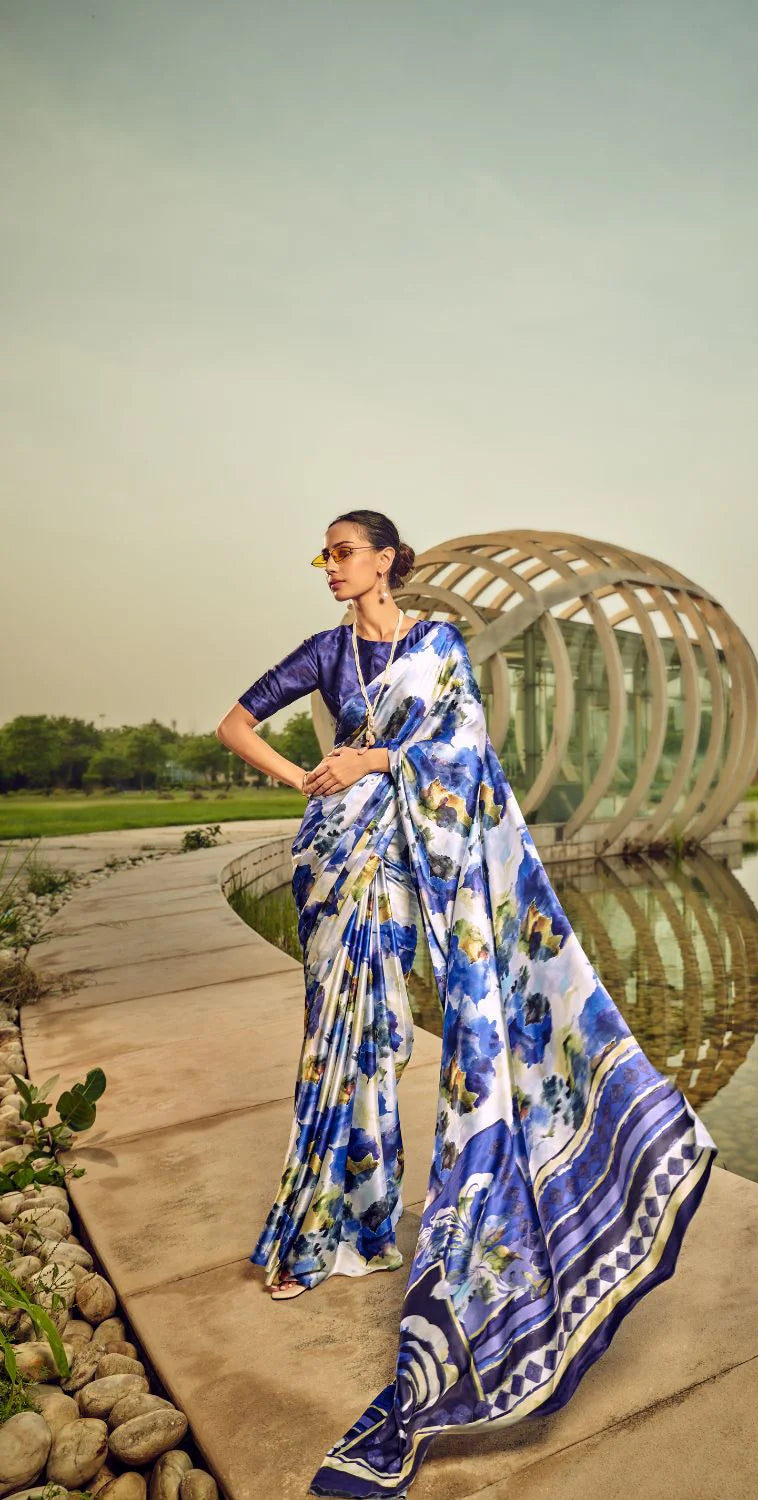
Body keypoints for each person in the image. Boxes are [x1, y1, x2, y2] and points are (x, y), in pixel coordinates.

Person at [217, 510, 718, 1499]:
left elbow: (465, 754)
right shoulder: (324, 653)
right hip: (339, 859)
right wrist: (309, 782)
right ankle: (324, 1227)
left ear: (388, 560)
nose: (331, 567)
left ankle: (425, 1213)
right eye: (325, 555)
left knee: (416, 1036)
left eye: (346, 552)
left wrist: (382, 760)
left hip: (419, 849)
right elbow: (233, 722)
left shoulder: (439, 646)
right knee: (340, 1041)